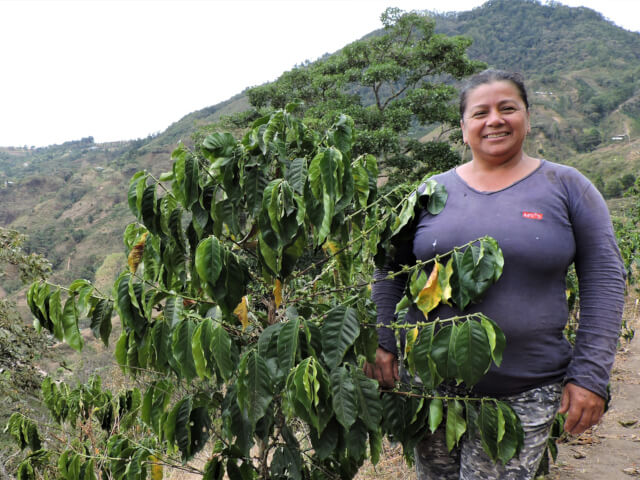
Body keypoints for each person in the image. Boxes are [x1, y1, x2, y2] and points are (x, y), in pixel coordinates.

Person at [363, 69, 626, 479]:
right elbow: (389, 267)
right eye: (480, 112)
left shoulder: (567, 186)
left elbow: (605, 281)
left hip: (522, 392)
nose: (495, 120)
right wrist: (384, 341)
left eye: (508, 108)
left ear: (527, 116)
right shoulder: (431, 191)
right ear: (463, 127)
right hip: (429, 391)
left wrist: (590, 376)